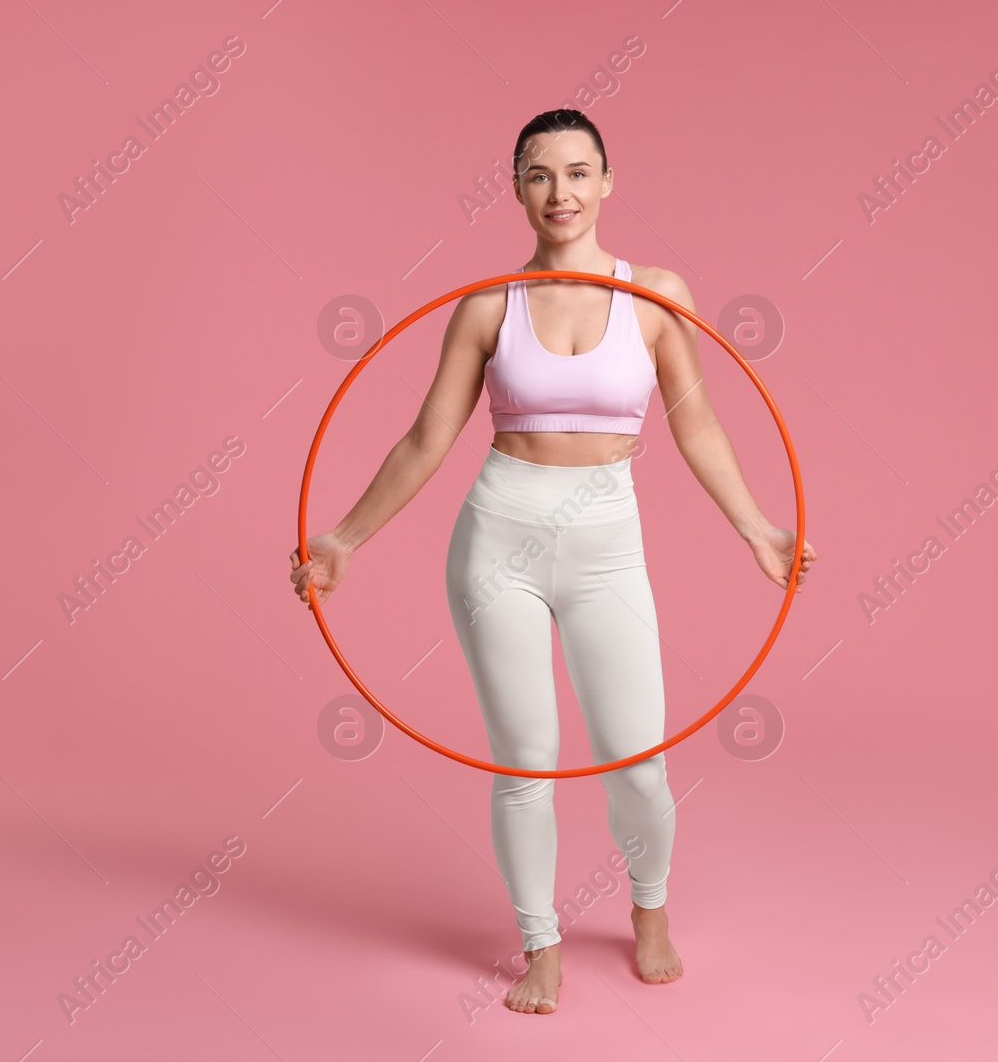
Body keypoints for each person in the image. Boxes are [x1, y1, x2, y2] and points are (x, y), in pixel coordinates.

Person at [290, 108, 813, 1015]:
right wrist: (340, 539)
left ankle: (649, 910)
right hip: (500, 537)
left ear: (608, 182)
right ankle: (541, 941)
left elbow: (698, 424)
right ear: (517, 188)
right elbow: (426, 440)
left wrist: (759, 529)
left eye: (578, 172)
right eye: (539, 174)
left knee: (635, 761)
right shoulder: (488, 304)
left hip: (609, 543)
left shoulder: (655, 294)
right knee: (526, 760)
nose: (560, 192)